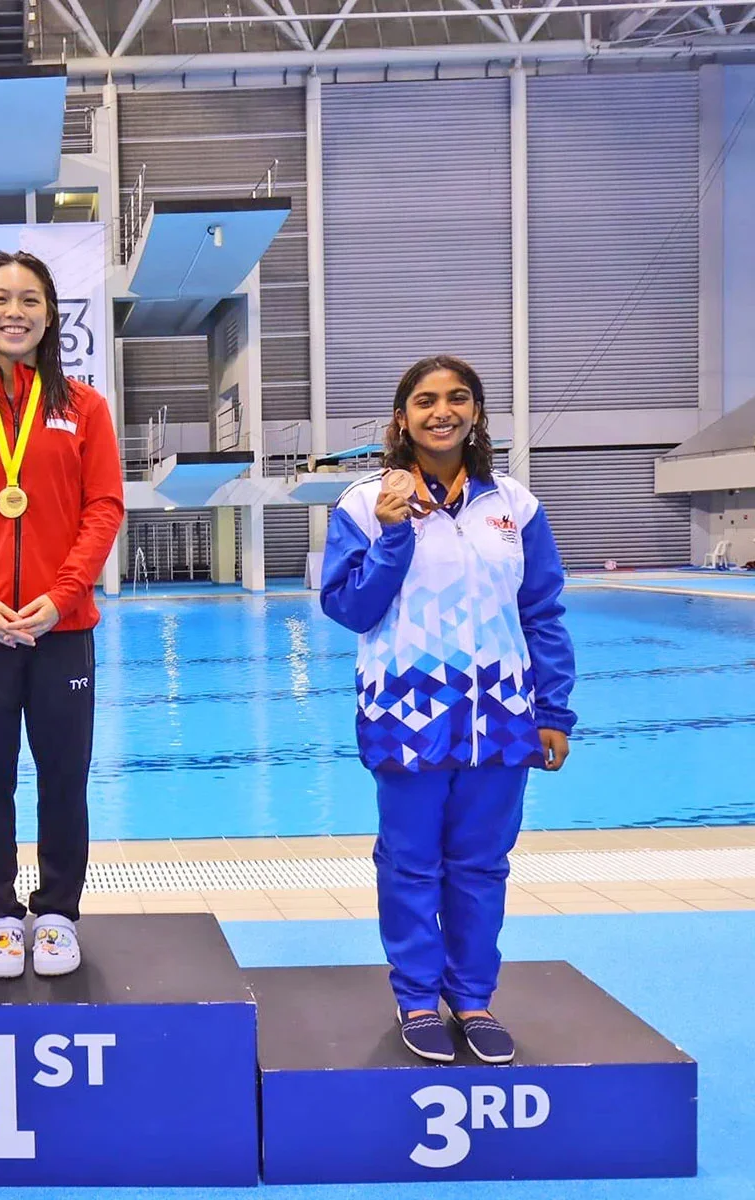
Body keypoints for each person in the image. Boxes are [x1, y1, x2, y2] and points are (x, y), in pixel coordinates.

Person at [320, 354, 576, 1065]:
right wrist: (395, 533)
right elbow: (347, 607)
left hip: (503, 717)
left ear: (476, 413)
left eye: (457, 398)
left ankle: (473, 998)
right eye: (426, 400)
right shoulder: (363, 504)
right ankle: (415, 998)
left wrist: (552, 708)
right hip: (407, 714)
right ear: (401, 417)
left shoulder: (514, 507)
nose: (443, 411)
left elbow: (543, 613)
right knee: (408, 863)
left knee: (481, 864)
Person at [0, 251, 125, 979]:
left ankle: (59, 913)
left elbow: (103, 509)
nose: (15, 311)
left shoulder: (85, 410)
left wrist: (61, 596)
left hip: (62, 632)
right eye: (0, 298)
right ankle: (3, 915)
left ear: (49, 315)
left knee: (64, 776)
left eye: (29, 299)